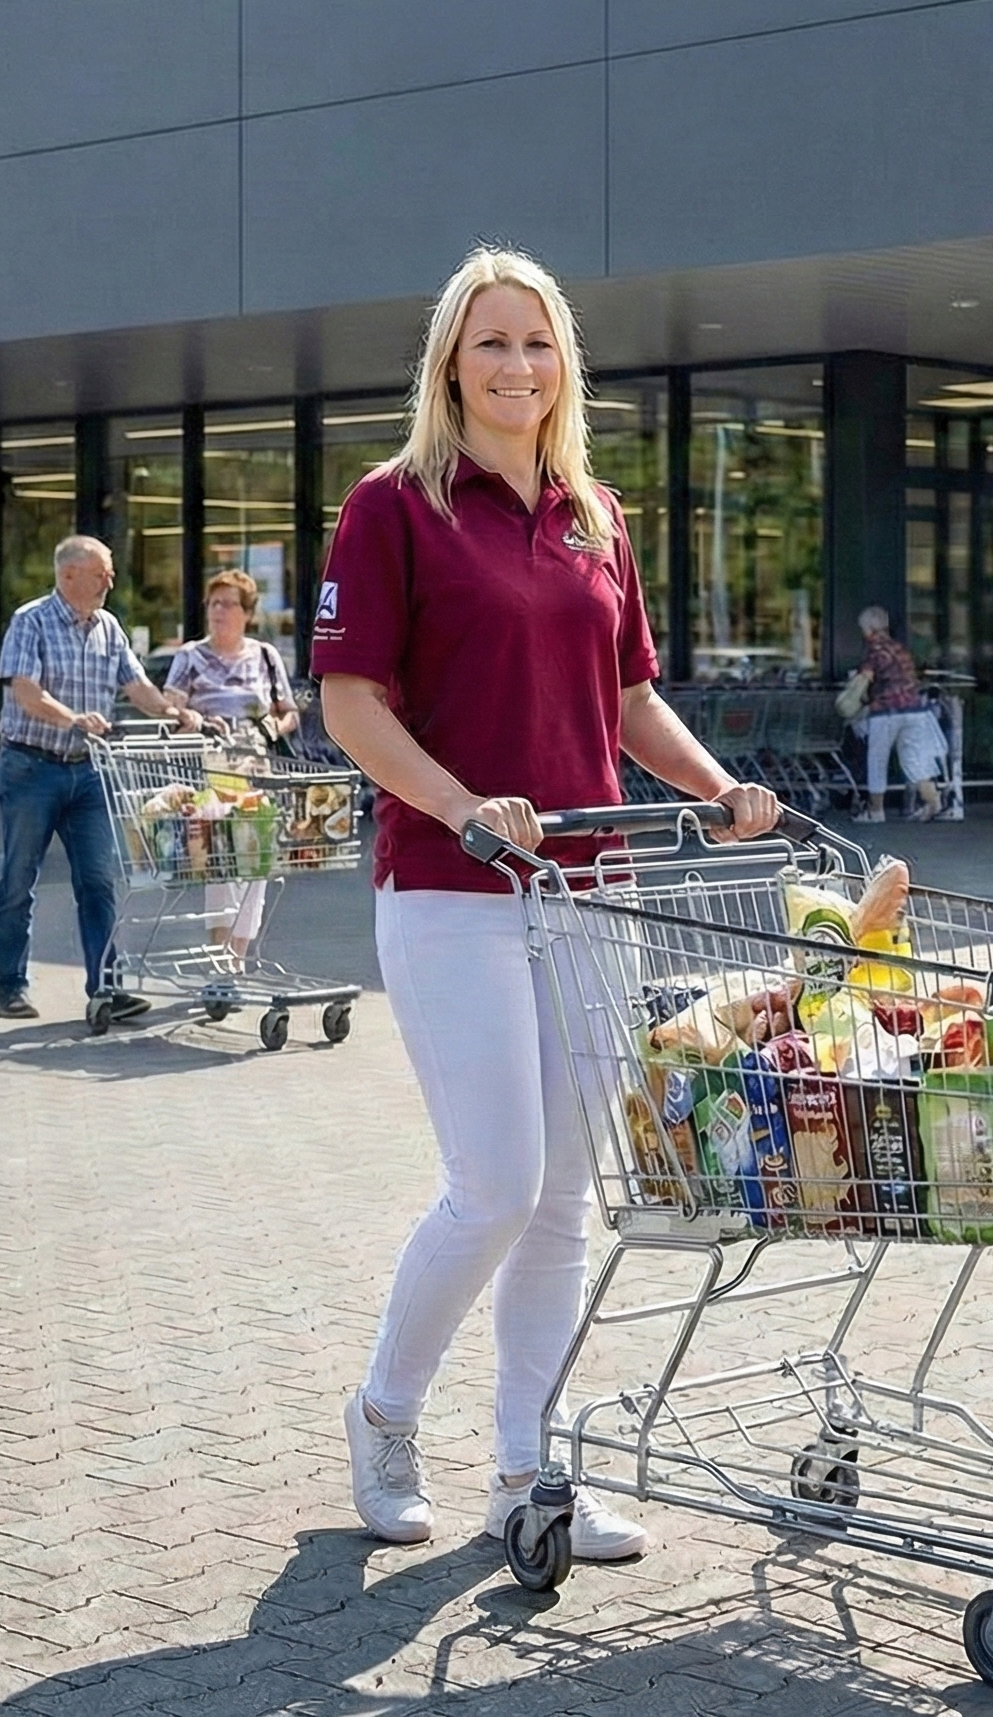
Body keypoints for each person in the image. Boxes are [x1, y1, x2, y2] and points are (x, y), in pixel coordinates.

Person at [316, 246, 780, 1558]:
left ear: (562, 362)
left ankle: (531, 1472)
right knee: (499, 1182)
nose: (516, 365)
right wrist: (463, 803)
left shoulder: (594, 515)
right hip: (453, 887)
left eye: (537, 342)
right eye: (490, 342)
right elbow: (354, 704)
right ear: (449, 364)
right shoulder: (393, 507)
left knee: (569, 1192)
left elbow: (628, 698)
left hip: (594, 890)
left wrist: (716, 786)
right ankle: (386, 1410)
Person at [0, 534, 205, 1020]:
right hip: (31, 767)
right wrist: (73, 719)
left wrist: (175, 713)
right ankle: (10, 985)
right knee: (19, 879)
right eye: (102, 571)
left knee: (98, 881)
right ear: (69, 576)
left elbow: (138, 686)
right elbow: (26, 693)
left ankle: (106, 988)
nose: (111, 579)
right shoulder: (31, 622)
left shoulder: (108, 626)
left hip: (87, 773)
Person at [162, 567, 303, 964]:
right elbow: (170, 704)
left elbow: (288, 711)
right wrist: (192, 718)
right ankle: (219, 955)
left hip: (258, 773)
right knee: (221, 862)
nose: (218, 611)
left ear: (247, 613)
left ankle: (236, 958)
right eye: (214, 603)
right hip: (210, 772)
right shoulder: (191, 656)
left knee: (255, 865)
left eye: (228, 604)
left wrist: (276, 724)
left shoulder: (265, 656)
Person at [853, 606, 944, 824]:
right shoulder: (901, 648)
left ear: (871, 629)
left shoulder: (875, 650)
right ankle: (933, 802)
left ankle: (876, 811)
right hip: (914, 710)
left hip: (886, 712)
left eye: (864, 628)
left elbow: (864, 680)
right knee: (914, 759)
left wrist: (853, 697)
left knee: (877, 760)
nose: (863, 633)